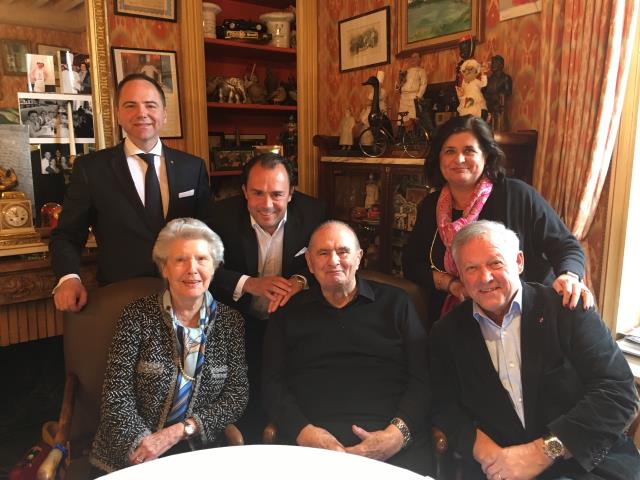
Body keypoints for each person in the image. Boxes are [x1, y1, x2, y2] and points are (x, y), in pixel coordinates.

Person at [429, 220, 640, 480]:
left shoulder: (567, 308)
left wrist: (542, 452)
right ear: (460, 275)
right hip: (501, 468)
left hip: (588, 464)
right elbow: (444, 406)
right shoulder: (446, 332)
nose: (484, 278)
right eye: (471, 268)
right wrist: (489, 454)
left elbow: (618, 393)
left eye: (495, 263)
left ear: (519, 262)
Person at [263, 221, 433, 475]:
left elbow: (424, 379)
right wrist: (303, 432)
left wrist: (396, 436)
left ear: (359, 257)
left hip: (394, 451)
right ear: (309, 262)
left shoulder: (397, 304)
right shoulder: (287, 313)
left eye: (343, 251)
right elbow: (271, 383)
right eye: (323, 253)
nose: (334, 261)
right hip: (309, 453)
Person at [89, 218, 248, 474]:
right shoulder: (136, 316)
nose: (192, 269)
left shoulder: (231, 322)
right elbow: (116, 397)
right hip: (131, 454)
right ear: (164, 268)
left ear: (214, 266)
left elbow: (236, 396)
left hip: (198, 454)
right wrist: (143, 447)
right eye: (180, 260)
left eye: (202, 259)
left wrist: (182, 430)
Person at [402, 115, 592, 327]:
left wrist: (569, 276)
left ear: (486, 156)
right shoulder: (430, 206)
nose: (459, 159)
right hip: (456, 318)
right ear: (438, 159)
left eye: (469, 150)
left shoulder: (518, 195)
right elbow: (411, 264)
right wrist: (453, 285)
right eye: (449, 151)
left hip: (525, 317)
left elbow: (566, 245)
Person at [50, 73, 211, 312]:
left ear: (164, 114)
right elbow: (67, 234)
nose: (142, 113)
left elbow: (208, 233)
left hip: (186, 298)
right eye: (130, 105)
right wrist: (68, 278)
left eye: (150, 105)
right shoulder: (91, 169)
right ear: (118, 114)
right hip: (122, 299)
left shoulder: (193, 167)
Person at [208, 152, 326, 442]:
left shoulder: (315, 214)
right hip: (237, 322)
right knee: (246, 400)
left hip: (292, 321)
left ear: (291, 193)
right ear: (244, 191)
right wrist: (249, 284)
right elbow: (202, 267)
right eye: (257, 193)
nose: (267, 204)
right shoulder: (218, 217)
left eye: (277, 194)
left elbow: (326, 258)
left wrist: (300, 280)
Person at [483, 55, 513, 132]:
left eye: (495, 63)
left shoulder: (506, 78)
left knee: (498, 129)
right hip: (488, 106)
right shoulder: (488, 79)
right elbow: (484, 92)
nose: (492, 65)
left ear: (501, 65)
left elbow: (508, 91)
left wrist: (496, 96)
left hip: (498, 106)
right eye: (492, 63)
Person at [397, 52, 427, 121]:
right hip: (404, 98)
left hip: (413, 97)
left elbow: (423, 84)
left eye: (415, 57)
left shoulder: (421, 71)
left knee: (412, 118)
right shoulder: (407, 71)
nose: (413, 59)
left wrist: (418, 96)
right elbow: (401, 83)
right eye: (412, 57)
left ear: (420, 59)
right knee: (402, 119)